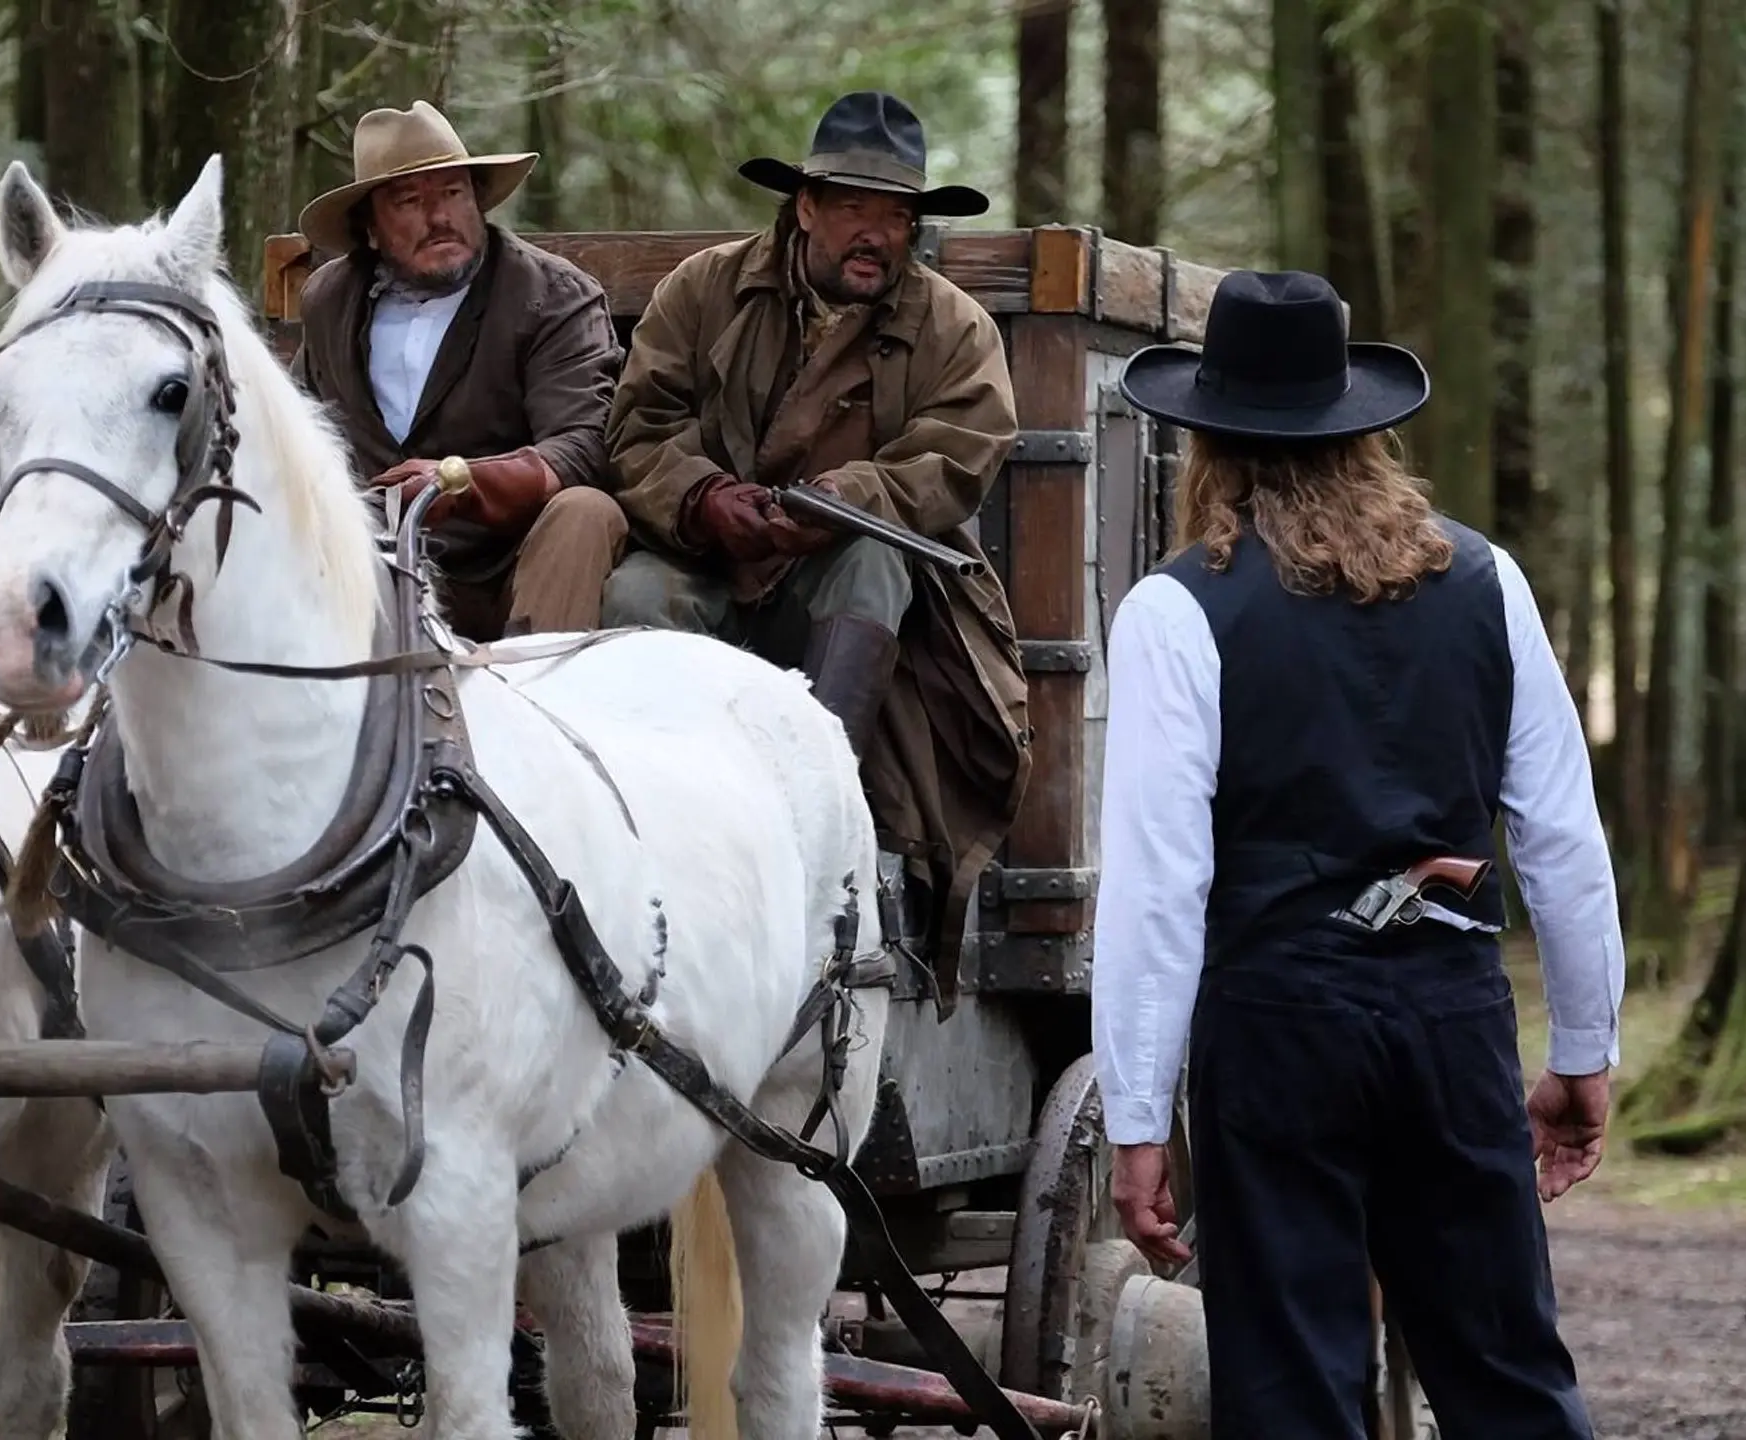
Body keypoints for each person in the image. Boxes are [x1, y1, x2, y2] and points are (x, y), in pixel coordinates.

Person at [1089, 269, 1622, 1438]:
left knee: (1292, 1395)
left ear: (1207, 445)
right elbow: (1563, 838)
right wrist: (1583, 1051)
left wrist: (1136, 1119)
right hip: (1449, 1019)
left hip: (1277, 1033)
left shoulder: (1176, 612)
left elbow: (1155, 888)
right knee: (1507, 1380)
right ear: (1359, 431)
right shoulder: (1486, 582)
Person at [599, 91, 1028, 999]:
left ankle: (817, 813)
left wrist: (846, 497)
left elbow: (959, 457)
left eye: (897, 216)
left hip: (847, 589)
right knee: (636, 598)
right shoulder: (704, 289)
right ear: (804, 207)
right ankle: (656, 820)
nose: (877, 234)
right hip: (703, 561)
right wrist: (707, 500)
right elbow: (637, 430)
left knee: (874, 556)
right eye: (854, 210)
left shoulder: (955, 328)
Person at [291, 100, 629, 639]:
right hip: (369, 568)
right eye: (409, 201)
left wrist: (463, 483)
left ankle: (534, 696)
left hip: (507, 568)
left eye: (453, 193)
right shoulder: (331, 300)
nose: (440, 217)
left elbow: (584, 446)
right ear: (370, 229)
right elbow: (299, 436)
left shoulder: (552, 297)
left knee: (586, 511)